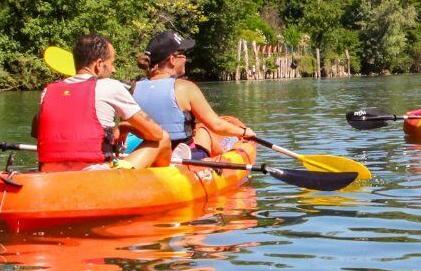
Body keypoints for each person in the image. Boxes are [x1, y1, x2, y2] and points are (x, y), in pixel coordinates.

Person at [31, 34, 169, 172]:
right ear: (98, 64)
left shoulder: (48, 92)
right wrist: (126, 127)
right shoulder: (110, 86)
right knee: (163, 139)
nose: (113, 69)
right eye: (111, 63)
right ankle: (159, 184)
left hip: (48, 173)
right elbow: (155, 133)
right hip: (95, 177)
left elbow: (37, 131)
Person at [132, 30, 256, 160]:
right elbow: (217, 125)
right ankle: (213, 165)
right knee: (204, 132)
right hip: (183, 155)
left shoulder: (135, 88)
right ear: (172, 60)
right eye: (183, 55)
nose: (186, 59)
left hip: (148, 154)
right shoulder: (184, 87)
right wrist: (244, 132)